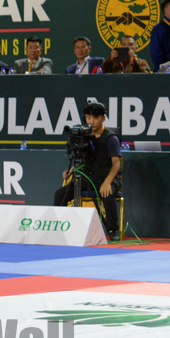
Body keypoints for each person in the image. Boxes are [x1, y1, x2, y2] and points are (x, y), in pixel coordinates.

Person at [53, 101, 122, 241]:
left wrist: (107, 182)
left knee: (107, 193)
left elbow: (116, 164)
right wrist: (71, 170)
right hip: (87, 178)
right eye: (89, 117)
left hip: (107, 178)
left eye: (96, 117)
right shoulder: (82, 135)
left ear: (103, 118)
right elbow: (82, 158)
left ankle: (113, 230)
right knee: (60, 194)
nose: (92, 121)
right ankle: (60, 227)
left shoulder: (111, 138)